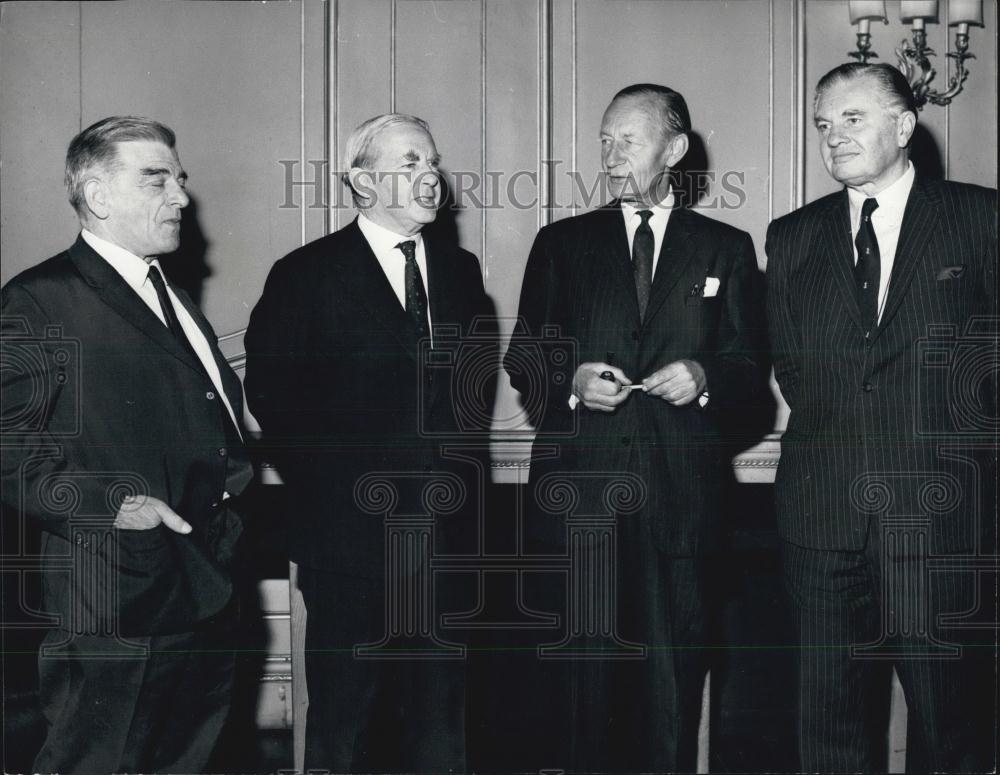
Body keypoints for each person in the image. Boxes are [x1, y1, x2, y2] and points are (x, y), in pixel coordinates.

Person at [505, 83, 766, 772]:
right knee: (583, 681)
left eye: (628, 139)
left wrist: (706, 377)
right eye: (604, 139)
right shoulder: (562, 242)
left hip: (683, 505)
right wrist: (570, 381)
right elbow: (525, 356)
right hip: (579, 500)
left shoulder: (726, 248)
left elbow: (750, 372)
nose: (610, 154)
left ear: (674, 150)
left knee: (675, 679)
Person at [0, 116, 253, 774]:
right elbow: (8, 447)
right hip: (113, 595)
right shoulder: (40, 300)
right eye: (158, 180)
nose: (181, 197)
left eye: (181, 180)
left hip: (204, 583)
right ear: (99, 195)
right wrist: (115, 504)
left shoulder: (168, 293)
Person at [244, 113, 495, 773]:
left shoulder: (462, 272)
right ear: (361, 180)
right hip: (349, 547)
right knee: (345, 725)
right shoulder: (305, 275)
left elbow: (470, 407)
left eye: (432, 162)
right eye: (409, 162)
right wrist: (344, 501)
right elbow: (273, 401)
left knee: (442, 726)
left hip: (446, 544)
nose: (429, 177)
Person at [766, 62, 997, 772]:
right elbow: (794, 370)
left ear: (903, 126)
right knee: (830, 725)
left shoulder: (980, 218)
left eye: (852, 119)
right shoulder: (792, 235)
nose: (833, 138)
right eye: (823, 124)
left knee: (951, 722)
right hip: (822, 517)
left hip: (940, 516)